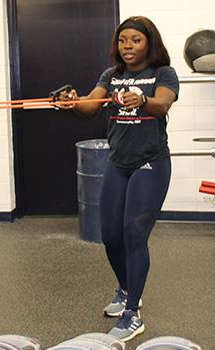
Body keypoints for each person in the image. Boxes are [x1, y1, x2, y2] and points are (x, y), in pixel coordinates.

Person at [58, 15, 179, 342]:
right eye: (123, 40)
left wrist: (142, 100)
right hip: (118, 163)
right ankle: (127, 290)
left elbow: (162, 105)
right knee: (110, 235)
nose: (128, 46)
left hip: (150, 163)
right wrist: (72, 103)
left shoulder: (162, 74)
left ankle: (132, 315)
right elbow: (89, 105)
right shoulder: (111, 76)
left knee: (133, 233)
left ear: (148, 43)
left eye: (135, 40)